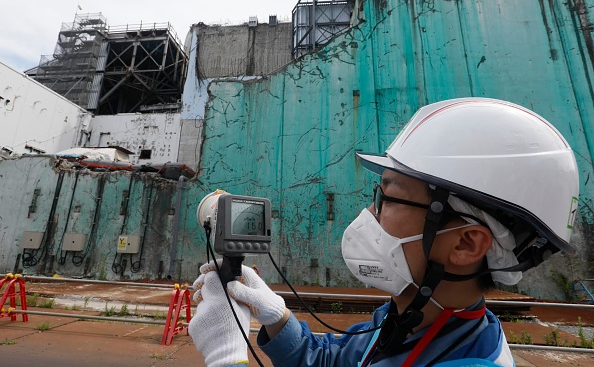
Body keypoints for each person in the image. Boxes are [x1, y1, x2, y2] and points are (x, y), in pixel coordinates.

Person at [189, 97, 580, 366]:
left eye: (389, 198)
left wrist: (228, 357)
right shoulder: (410, 319)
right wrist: (277, 316)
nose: (370, 214)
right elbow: (335, 359)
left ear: (465, 243)